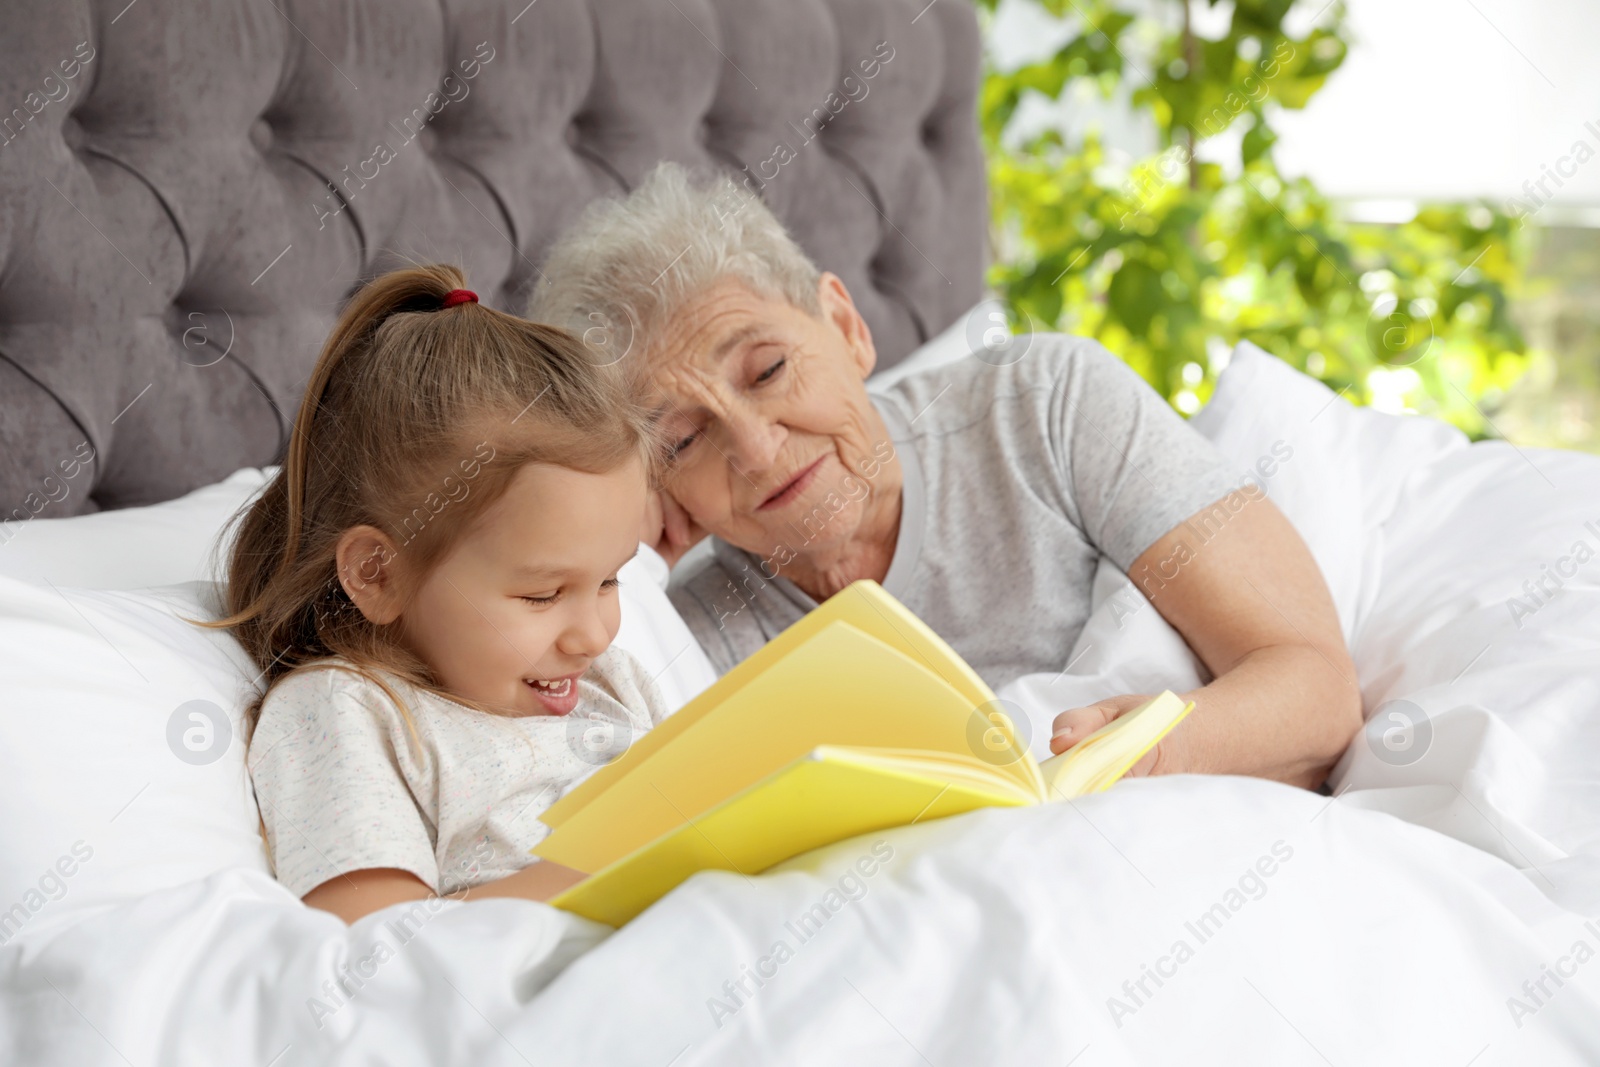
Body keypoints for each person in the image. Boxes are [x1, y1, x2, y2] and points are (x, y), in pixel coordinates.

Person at [529, 164, 1363, 792]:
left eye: (769, 369)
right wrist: (625, 562)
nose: (753, 446)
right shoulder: (689, 623)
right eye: (683, 440)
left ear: (847, 326)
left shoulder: (1044, 406)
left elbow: (1314, 684)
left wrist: (1140, 756)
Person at [202, 265, 666, 924]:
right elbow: (375, 945)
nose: (593, 636)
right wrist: (607, 865)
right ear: (377, 574)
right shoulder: (347, 710)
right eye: (541, 595)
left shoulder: (614, 683)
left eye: (611, 579)